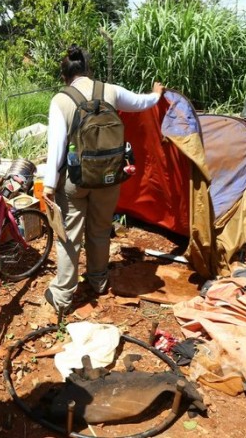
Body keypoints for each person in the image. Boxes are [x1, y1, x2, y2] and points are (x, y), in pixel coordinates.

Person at [42, 45, 164, 316]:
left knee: (69, 238)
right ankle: (98, 281)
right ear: (89, 69)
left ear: (65, 75)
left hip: (75, 181)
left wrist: (49, 186)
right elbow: (143, 102)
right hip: (109, 177)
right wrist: (156, 94)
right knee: (99, 230)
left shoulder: (60, 100)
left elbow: (56, 149)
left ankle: (62, 296)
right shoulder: (112, 91)